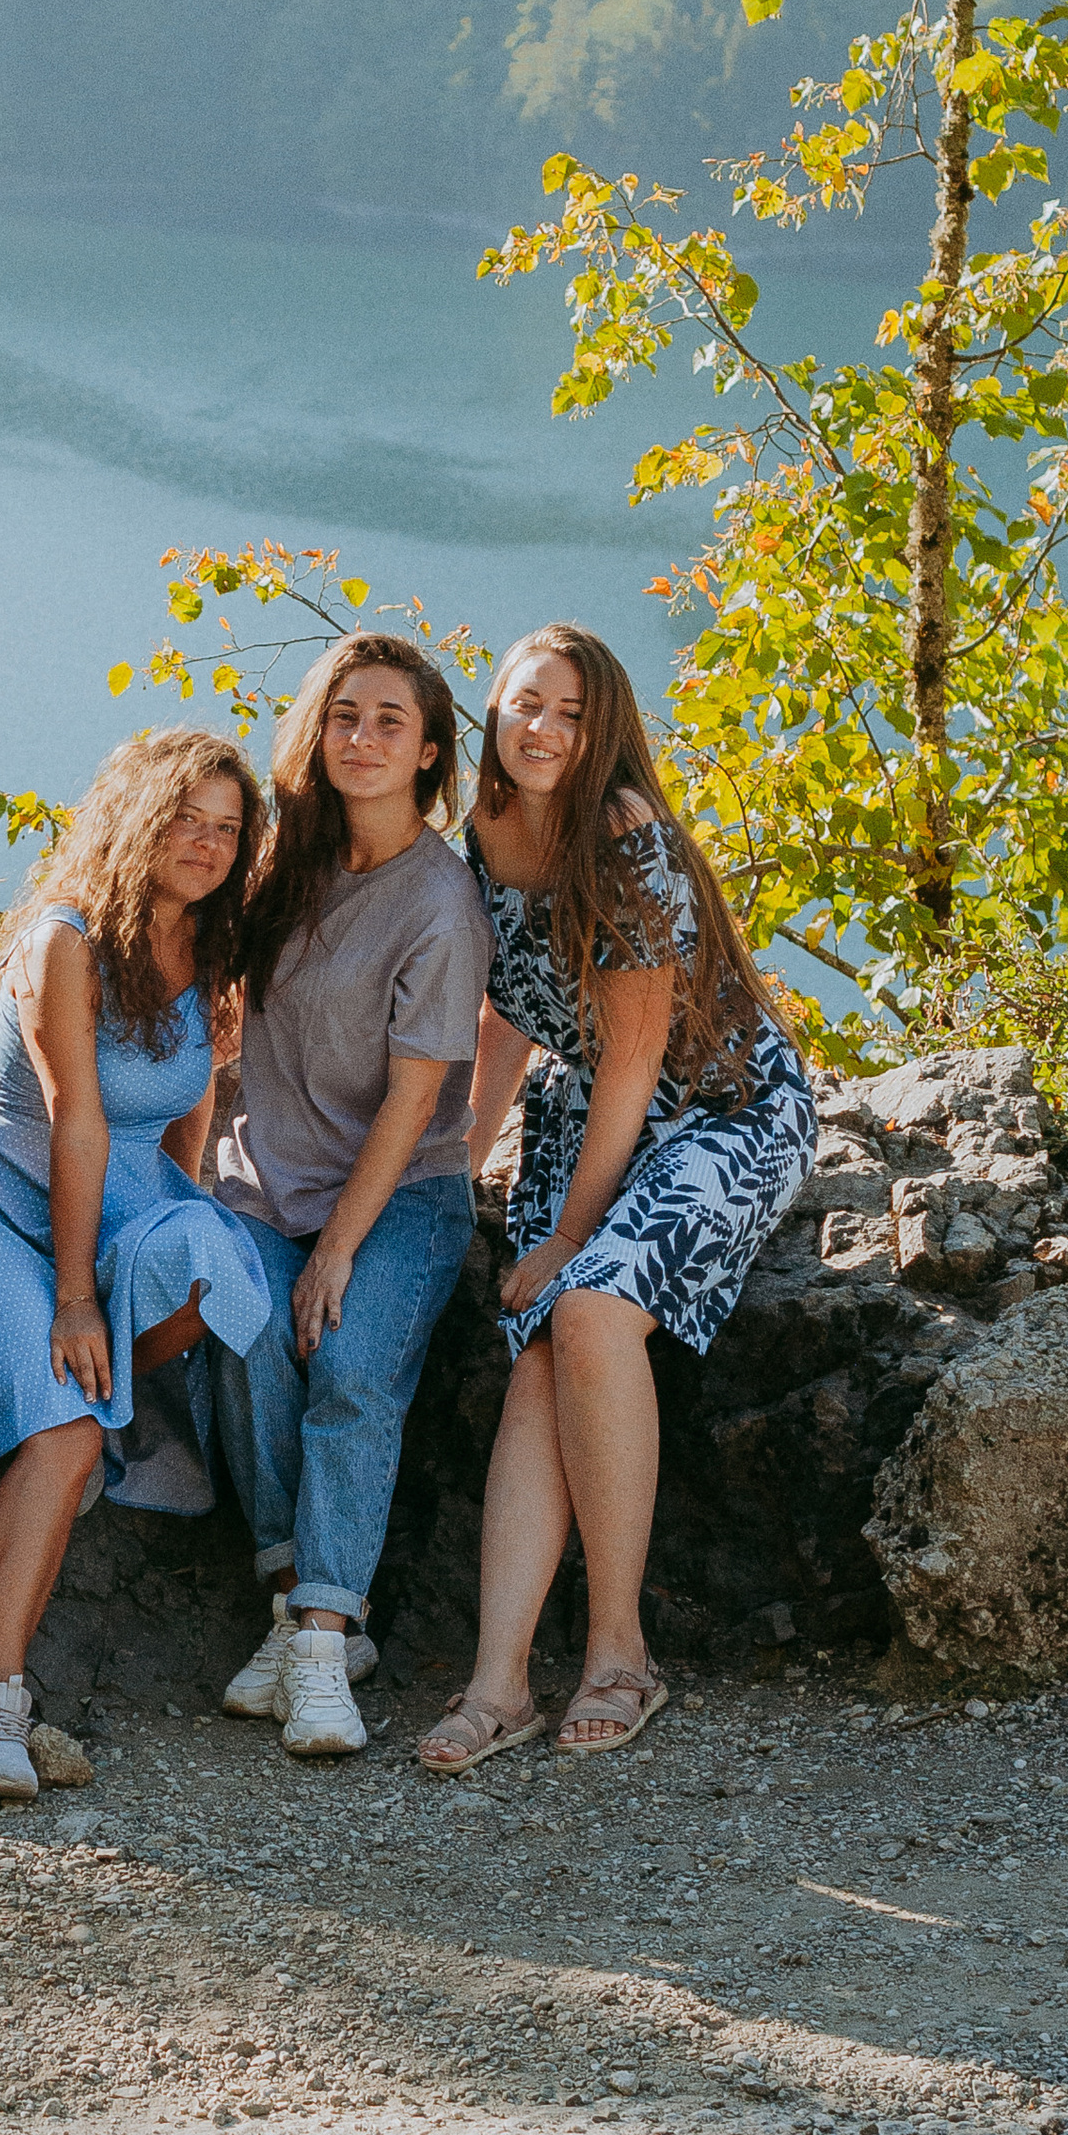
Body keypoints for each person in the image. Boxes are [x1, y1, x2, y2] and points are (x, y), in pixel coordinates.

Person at [416, 623, 818, 1773]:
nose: (542, 728)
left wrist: (567, 1239)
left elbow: (639, 1058)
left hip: (721, 1105)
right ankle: (498, 1684)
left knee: (586, 1305)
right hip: (580, 1105)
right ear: (492, 709)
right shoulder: (481, 831)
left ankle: (619, 1652)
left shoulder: (627, 839)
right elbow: (504, 1014)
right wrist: (459, 1155)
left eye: (570, 712)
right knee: (540, 1349)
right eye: (524, 702)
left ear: (605, 731)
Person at [0, 729, 275, 1797]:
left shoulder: (209, 947)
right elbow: (76, 1119)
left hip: (115, 1202)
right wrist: (77, 1297)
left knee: (222, 1258)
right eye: (184, 819)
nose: (205, 844)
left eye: (226, 828)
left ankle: (99, 1401)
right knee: (65, 1431)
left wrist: (160, 1231)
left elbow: (189, 1115)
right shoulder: (64, 939)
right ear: (133, 818)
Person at [209, 635, 492, 1758]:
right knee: (246, 1338)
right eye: (343, 715)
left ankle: (324, 1648)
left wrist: (337, 1249)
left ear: (428, 752)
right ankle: (292, 1603)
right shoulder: (282, 863)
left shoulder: (442, 900)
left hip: (401, 1193)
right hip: (262, 1181)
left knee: (351, 1367)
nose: (362, 738)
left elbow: (416, 1101)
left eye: (389, 721)